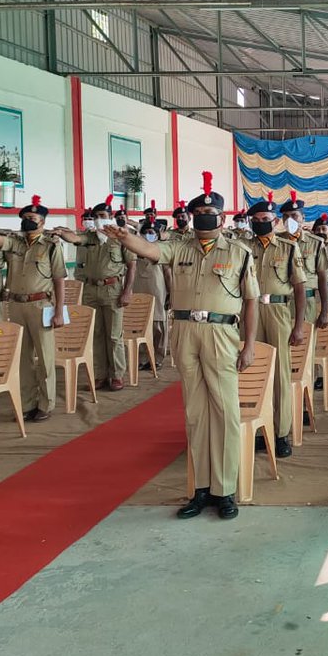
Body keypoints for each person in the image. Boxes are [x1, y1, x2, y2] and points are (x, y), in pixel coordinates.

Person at [103, 171, 259, 520]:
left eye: (211, 212)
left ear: (222, 217)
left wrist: (248, 345)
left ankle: (225, 489)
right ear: (191, 216)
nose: (205, 216)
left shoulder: (239, 252)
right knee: (195, 412)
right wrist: (126, 238)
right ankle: (201, 488)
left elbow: (251, 302)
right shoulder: (180, 247)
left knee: (225, 412)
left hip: (221, 333)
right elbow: (151, 249)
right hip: (186, 330)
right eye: (199, 212)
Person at [0, 195, 66, 422]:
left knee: (44, 356)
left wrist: (60, 311)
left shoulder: (51, 245)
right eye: (24, 218)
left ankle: (46, 403)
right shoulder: (15, 242)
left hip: (41, 304)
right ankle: (27, 402)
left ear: (42, 221)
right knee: (22, 358)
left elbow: (59, 279)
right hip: (15, 305)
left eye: (31, 218)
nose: (27, 221)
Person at [53, 195, 135, 392]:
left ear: (111, 217)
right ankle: (100, 375)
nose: (100, 219)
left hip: (113, 289)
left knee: (114, 335)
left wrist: (127, 291)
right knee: (97, 334)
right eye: (97, 216)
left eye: (103, 215)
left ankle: (116, 375)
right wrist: (61, 232)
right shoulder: (90, 237)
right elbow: (74, 238)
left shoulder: (121, 238)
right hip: (91, 290)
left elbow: (132, 265)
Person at [246, 193, 307, 457]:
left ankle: (281, 433)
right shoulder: (243, 248)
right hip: (249, 312)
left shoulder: (288, 248)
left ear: (275, 222)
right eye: (257, 219)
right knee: (251, 370)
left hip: (279, 312)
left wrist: (299, 325)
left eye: (266, 219)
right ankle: (258, 428)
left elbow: (300, 288)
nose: (261, 223)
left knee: (281, 373)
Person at [279, 191, 328, 329]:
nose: (290, 220)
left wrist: (325, 311)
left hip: (307, 301)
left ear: (303, 217)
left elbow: (322, 278)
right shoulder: (277, 242)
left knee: (304, 345)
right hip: (282, 304)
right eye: (286, 216)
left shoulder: (316, 243)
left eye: (294, 215)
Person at [132, 217, 171, 370]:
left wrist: (171, 293)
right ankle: (143, 358)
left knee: (159, 326)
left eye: (152, 232)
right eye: (146, 232)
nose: (149, 235)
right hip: (139, 292)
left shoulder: (162, 250)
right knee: (141, 325)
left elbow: (168, 274)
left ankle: (158, 358)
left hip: (158, 293)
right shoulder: (135, 250)